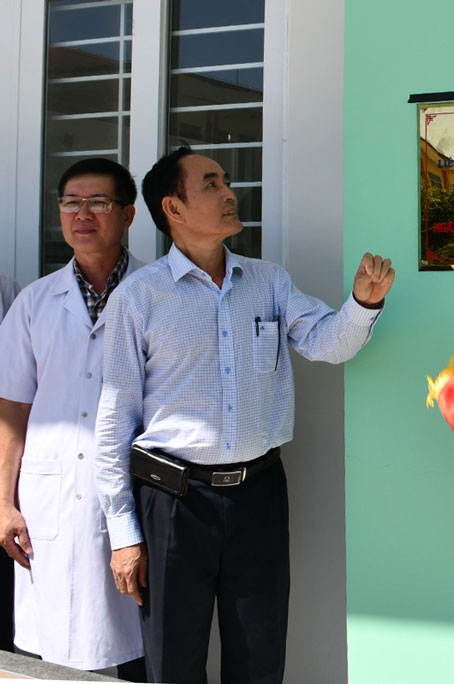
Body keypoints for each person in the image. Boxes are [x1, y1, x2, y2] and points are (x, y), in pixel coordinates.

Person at [94, 147, 396, 684]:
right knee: (173, 661)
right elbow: (114, 421)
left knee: (259, 658)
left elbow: (327, 341)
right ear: (174, 208)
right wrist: (124, 534)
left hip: (257, 496)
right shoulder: (139, 298)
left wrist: (362, 304)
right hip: (172, 503)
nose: (230, 192)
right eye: (210, 184)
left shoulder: (269, 282)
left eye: (226, 181)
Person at [0, 158, 145, 679]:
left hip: (134, 497)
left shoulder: (157, 294)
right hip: (50, 501)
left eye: (98, 202)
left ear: (128, 214)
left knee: (136, 642)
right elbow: (12, 408)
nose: (82, 214)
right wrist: (2, 502)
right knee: (56, 649)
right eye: (70, 203)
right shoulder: (35, 302)